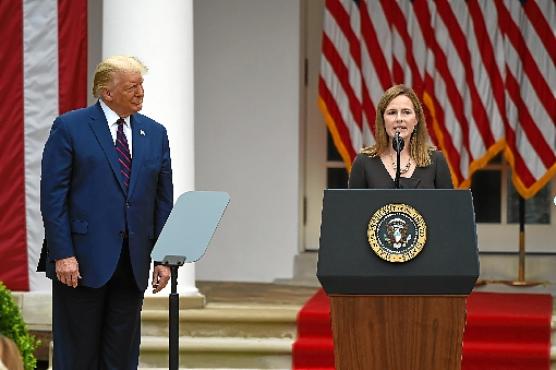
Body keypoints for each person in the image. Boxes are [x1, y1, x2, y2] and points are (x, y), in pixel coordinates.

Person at [40, 56, 173, 369]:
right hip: (80, 264)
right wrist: (63, 254)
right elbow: (53, 196)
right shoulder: (70, 127)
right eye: (132, 86)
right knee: (77, 357)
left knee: (123, 357)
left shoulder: (155, 133)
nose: (141, 92)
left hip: (132, 263)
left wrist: (164, 256)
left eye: (141, 85)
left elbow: (162, 200)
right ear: (106, 92)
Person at [348, 84, 453, 189]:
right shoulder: (364, 162)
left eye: (406, 112)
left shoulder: (436, 161)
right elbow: (352, 204)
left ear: (416, 119)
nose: (399, 118)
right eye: (392, 112)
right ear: (383, 120)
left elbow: (449, 204)